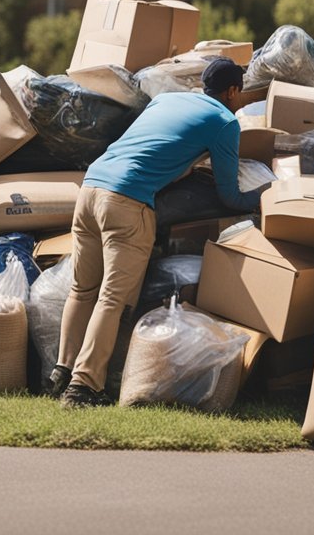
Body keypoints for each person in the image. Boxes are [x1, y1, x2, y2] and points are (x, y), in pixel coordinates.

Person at [52, 57, 264, 408]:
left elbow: (154, 145)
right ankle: (83, 387)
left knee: (82, 288)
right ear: (232, 91)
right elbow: (230, 195)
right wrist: (266, 194)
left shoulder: (167, 99)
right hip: (126, 201)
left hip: (90, 188)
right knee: (112, 297)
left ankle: (60, 371)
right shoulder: (225, 121)